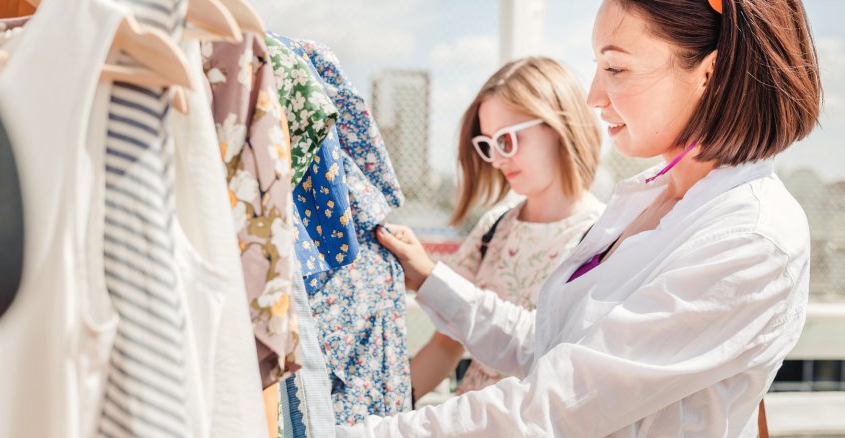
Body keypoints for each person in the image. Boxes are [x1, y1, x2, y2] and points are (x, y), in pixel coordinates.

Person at [339, 0, 822, 436]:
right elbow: (552, 349)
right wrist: (431, 279)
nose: (593, 95)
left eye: (616, 67)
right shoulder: (647, 199)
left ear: (711, 75)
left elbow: (560, 402)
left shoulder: (752, 236)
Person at [409, 57, 604, 403]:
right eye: (488, 145)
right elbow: (445, 343)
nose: (497, 160)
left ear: (558, 126)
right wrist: (371, 419)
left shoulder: (603, 239)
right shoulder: (493, 228)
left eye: (508, 141)